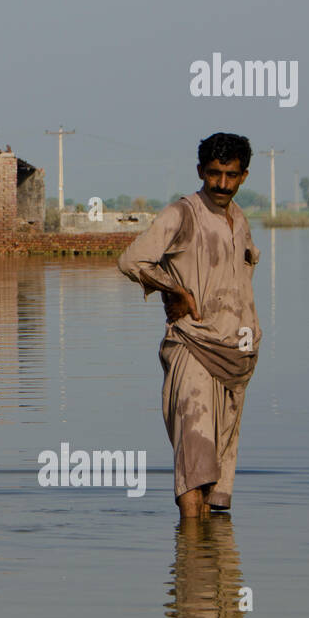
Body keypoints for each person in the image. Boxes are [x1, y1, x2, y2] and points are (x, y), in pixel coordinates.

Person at [117, 133, 262, 518]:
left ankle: (212, 560)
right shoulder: (182, 214)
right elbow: (132, 261)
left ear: (244, 176)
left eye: (231, 175)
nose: (222, 184)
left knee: (216, 477)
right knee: (194, 466)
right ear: (200, 171)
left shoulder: (240, 220)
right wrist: (173, 289)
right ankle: (192, 562)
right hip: (192, 348)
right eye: (214, 174)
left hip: (235, 357)